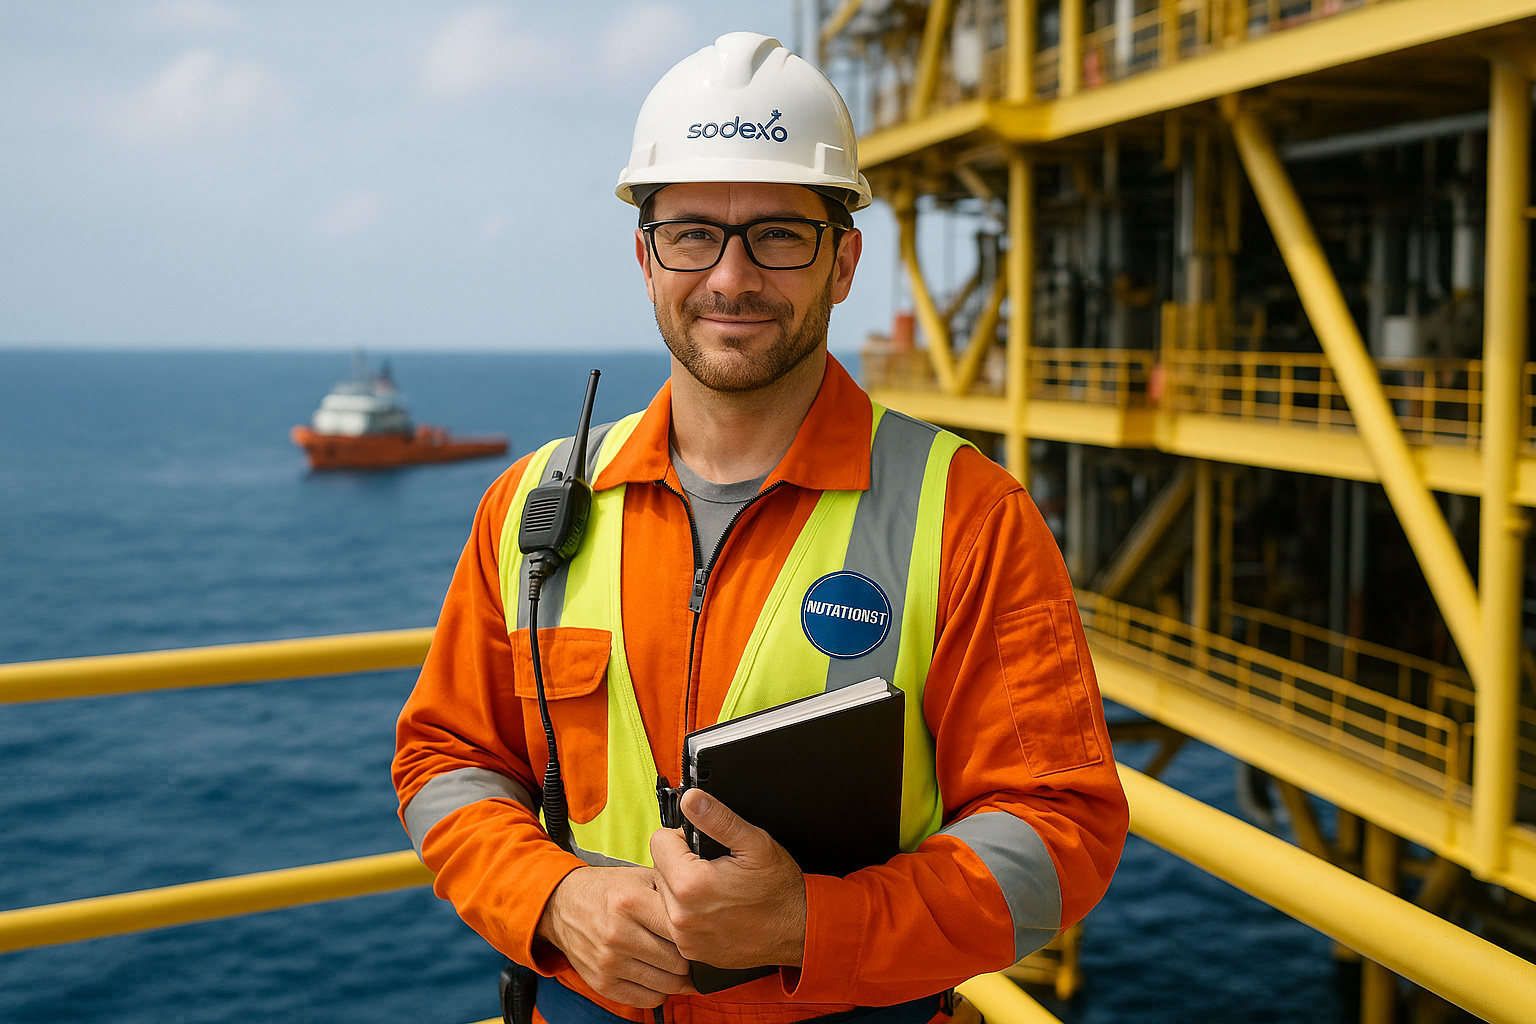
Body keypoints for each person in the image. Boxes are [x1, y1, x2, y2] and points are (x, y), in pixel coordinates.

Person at [393, 31, 1127, 1024]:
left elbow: (1059, 834)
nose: (732, 277)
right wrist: (555, 895)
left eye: (780, 233)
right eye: (694, 232)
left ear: (844, 261)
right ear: (645, 256)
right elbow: (446, 761)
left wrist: (811, 926)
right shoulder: (532, 503)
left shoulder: (967, 516)